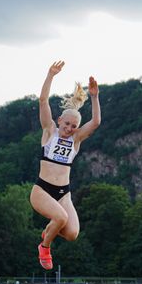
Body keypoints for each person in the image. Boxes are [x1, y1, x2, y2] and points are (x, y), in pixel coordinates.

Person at [30, 61, 101, 270]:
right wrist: (50, 75)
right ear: (59, 120)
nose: (69, 128)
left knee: (71, 234)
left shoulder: (76, 140)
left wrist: (95, 97)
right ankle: (44, 246)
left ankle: (50, 230)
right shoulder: (49, 131)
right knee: (60, 216)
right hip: (42, 189)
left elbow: (95, 122)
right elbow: (43, 101)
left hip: (63, 193)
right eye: (67, 123)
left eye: (74, 126)